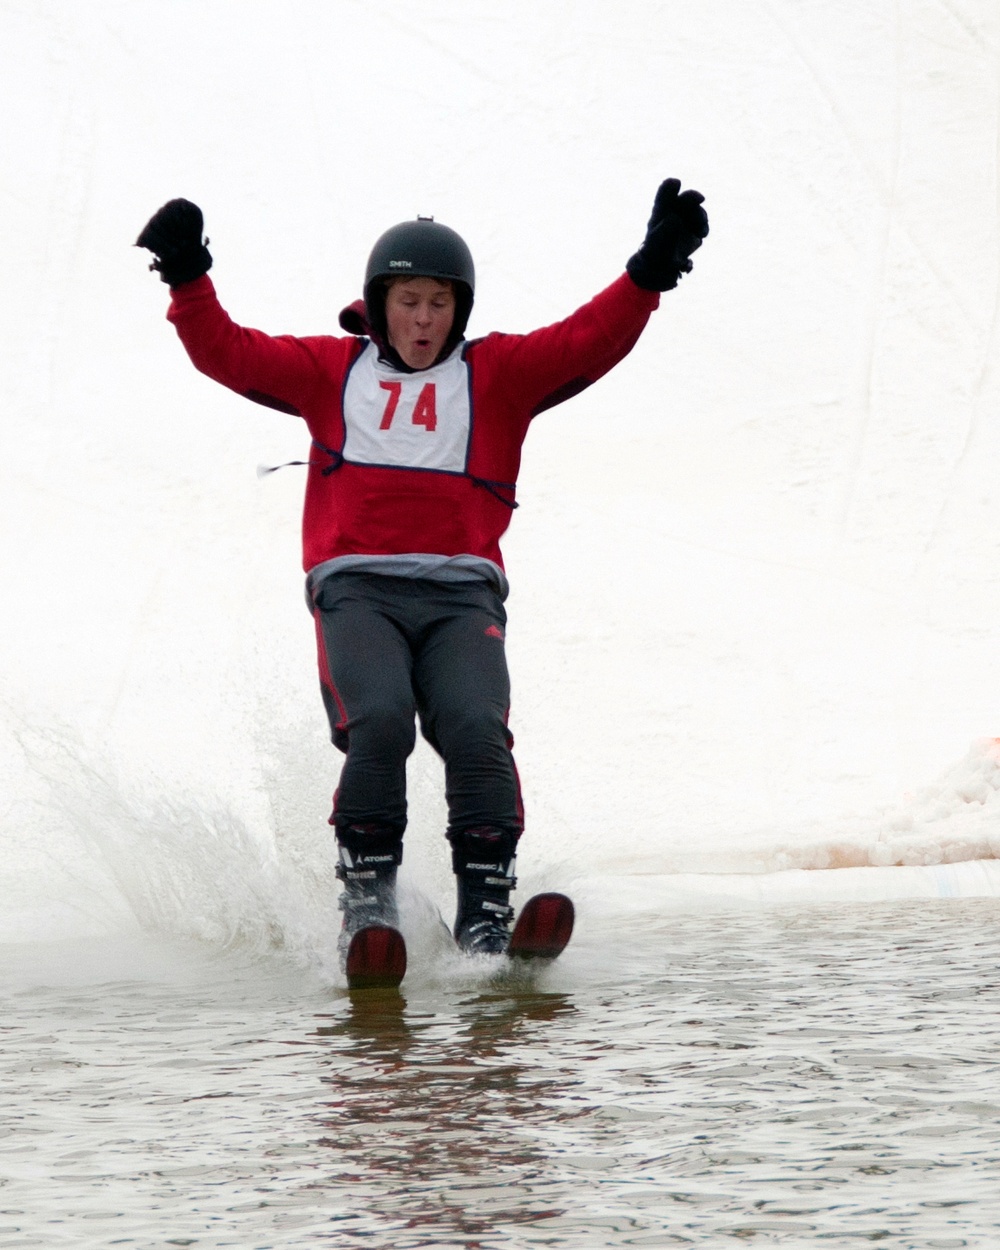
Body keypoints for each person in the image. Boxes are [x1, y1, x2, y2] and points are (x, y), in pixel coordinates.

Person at [136, 179, 709, 958]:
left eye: (440, 304)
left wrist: (650, 271)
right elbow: (228, 352)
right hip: (357, 590)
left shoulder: (496, 375)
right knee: (379, 721)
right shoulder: (330, 372)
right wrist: (186, 276)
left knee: (477, 729)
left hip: (459, 592)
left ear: (459, 310)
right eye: (409, 301)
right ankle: (367, 907)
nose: (423, 321)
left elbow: (585, 341)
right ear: (379, 303)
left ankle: (485, 916)